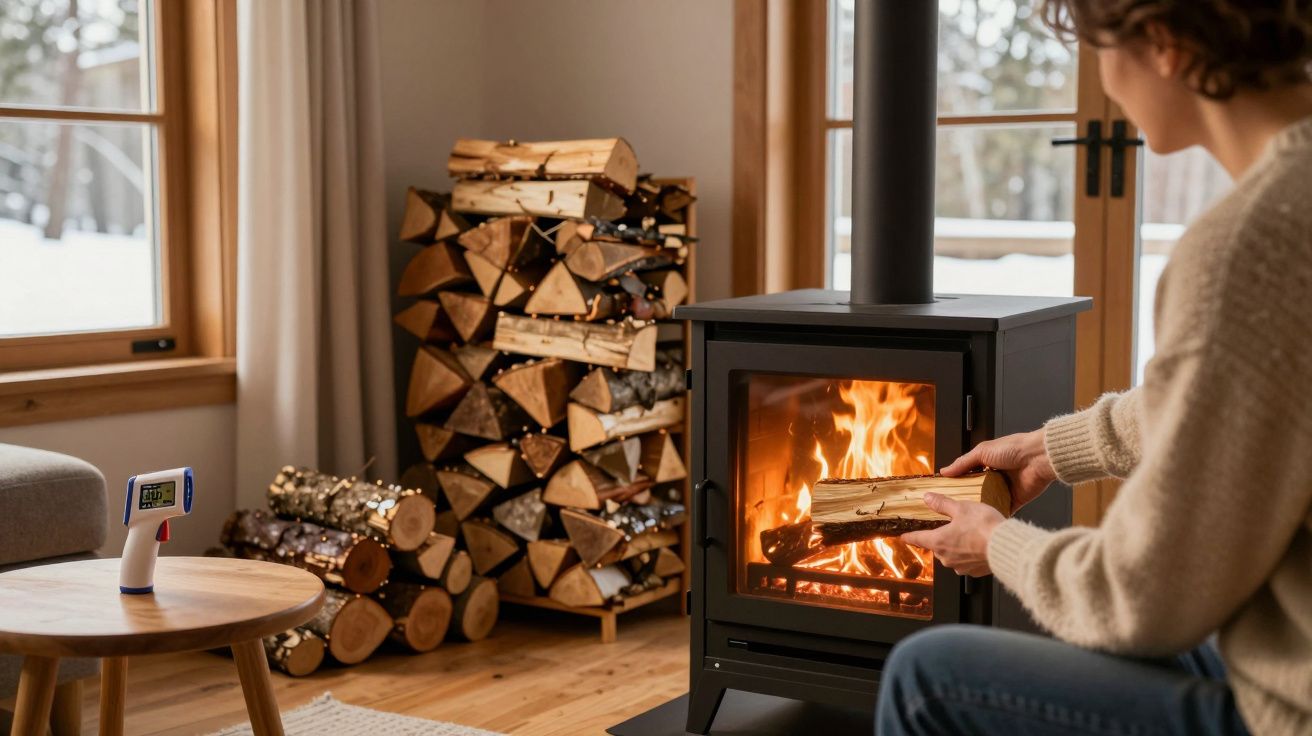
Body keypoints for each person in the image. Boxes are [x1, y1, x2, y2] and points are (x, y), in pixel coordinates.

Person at [875, 2, 1312, 734]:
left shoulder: (1247, 249)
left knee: (925, 676)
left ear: (1166, 45)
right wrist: (1052, 449)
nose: (1105, 83)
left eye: (1097, 51)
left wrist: (995, 544)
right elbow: (1246, 394)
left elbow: (1140, 598)